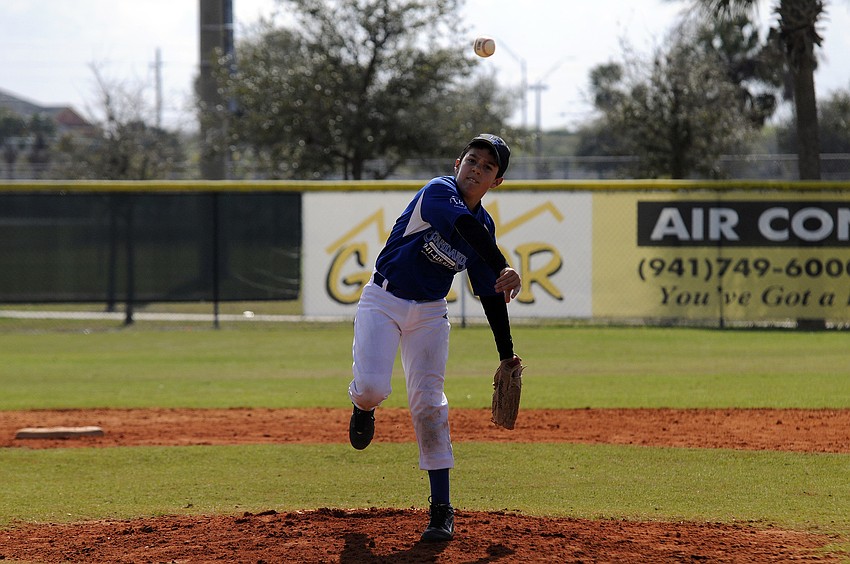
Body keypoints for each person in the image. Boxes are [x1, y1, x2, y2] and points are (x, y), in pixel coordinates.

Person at [347, 133, 522, 542]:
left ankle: (441, 509)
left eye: (488, 167)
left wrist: (507, 353)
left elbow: (488, 291)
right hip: (383, 300)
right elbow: (463, 228)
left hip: (429, 312)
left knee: (430, 404)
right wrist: (502, 263)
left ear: (496, 182)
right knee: (373, 388)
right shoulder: (439, 191)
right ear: (457, 162)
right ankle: (362, 405)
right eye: (472, 161)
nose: (476, 170)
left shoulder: (485, 224)